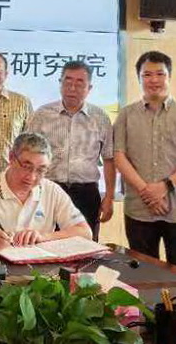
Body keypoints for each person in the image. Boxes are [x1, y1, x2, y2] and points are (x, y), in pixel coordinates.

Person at [114, 51, 176, 271]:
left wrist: (163, 187)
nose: (154, 80)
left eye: (160, 74)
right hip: (139, 209)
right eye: (147, 74)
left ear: (169, 76)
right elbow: (119, 157)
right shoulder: (126, 115)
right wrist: (147, 192)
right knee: (142, 273)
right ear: (139, 78)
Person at [0, 132, 91, 249]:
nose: (32, 177)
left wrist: (43, 237)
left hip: (40, 269)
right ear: (11, 158)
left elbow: (85, 232)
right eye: (26, 166)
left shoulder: (52, 190)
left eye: (41, 170)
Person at [26, 60, 114, 240]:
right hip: (48, 190)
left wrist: (109, 197)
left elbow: (109, 159)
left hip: (86, 194)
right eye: (68, 82)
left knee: (85, 246)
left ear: (89, 88)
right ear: (60, 83)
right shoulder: (42, 115)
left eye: (80, 83)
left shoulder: (100, 117)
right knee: (44, 243)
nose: (72, 88)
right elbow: (28, 155)